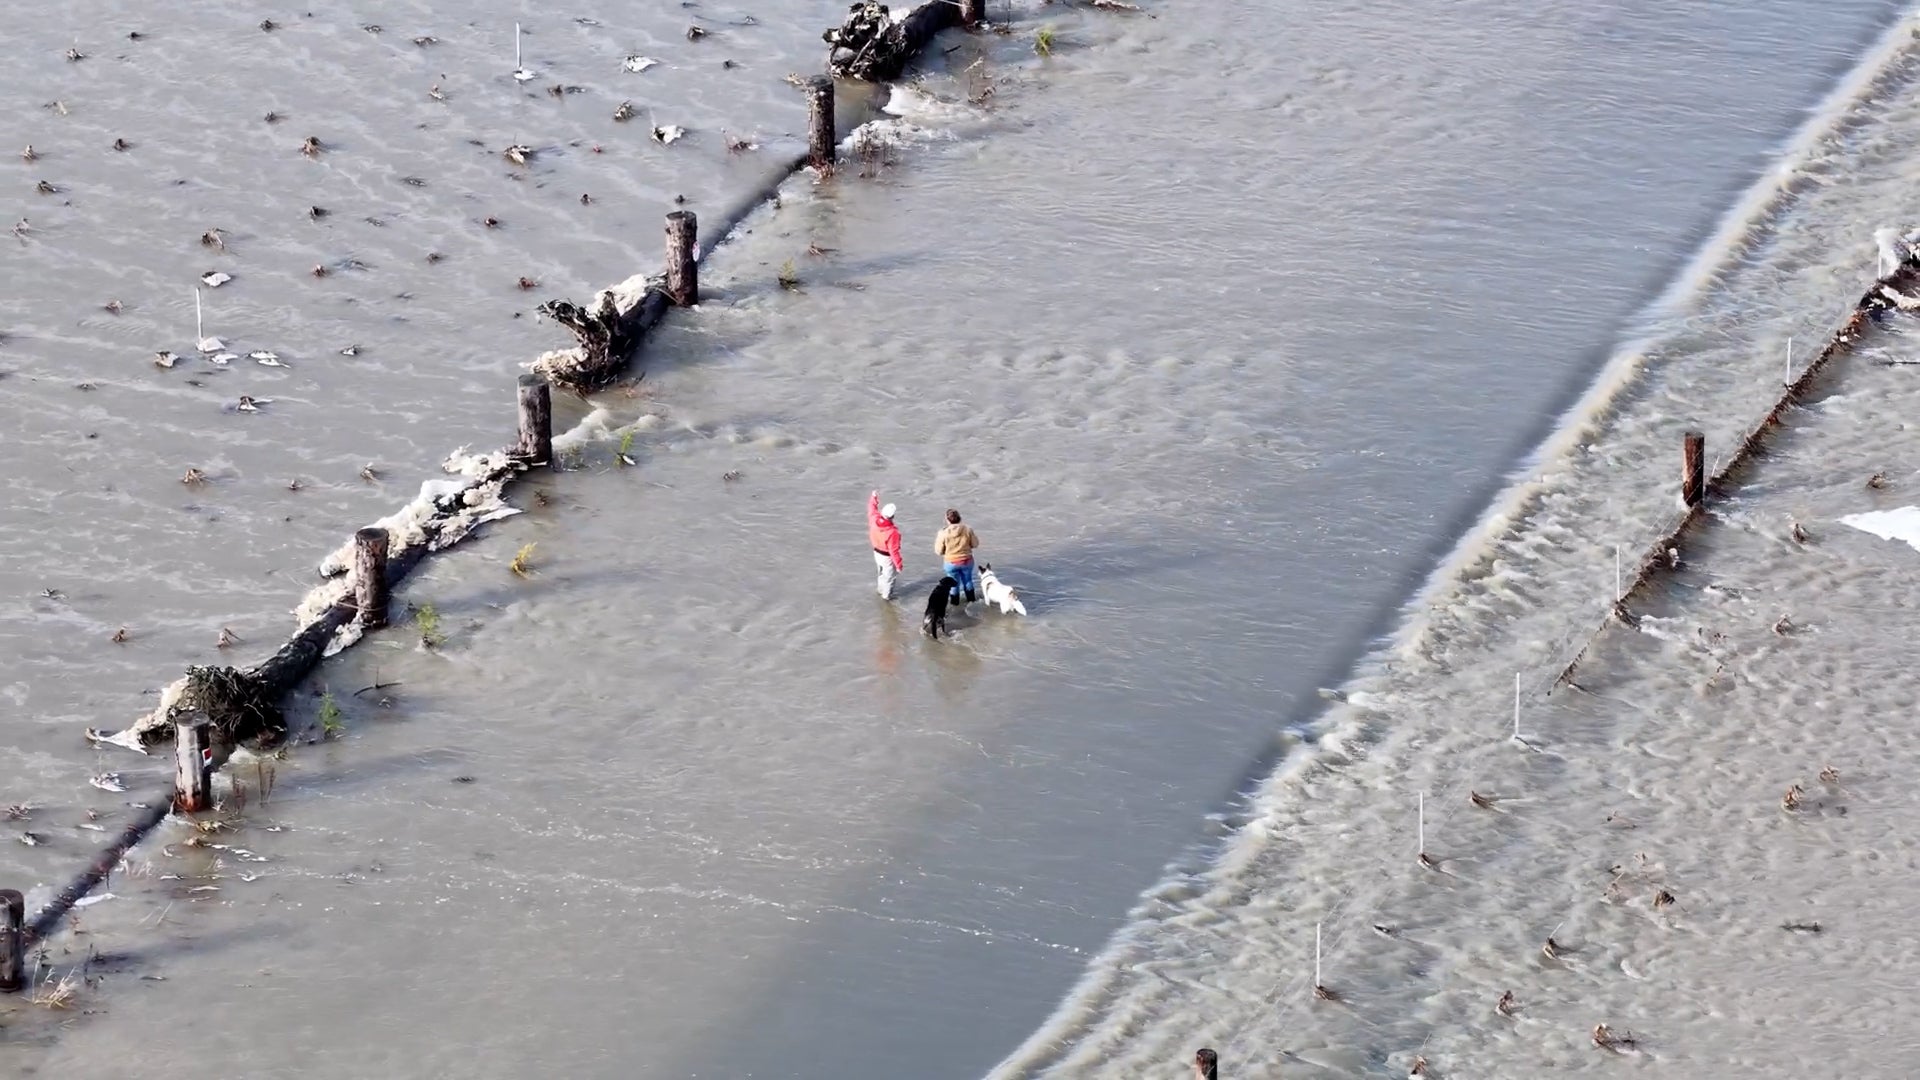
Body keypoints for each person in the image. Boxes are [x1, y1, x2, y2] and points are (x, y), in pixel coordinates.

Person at [934, 508, 980, 605]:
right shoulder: (968, 529)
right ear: (960, 518)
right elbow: (975, 544)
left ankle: (955, 605)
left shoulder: (943, 533)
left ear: (947, 520)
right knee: (968, 580)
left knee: (953, 584)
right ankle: (971, 602)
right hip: (967, 561)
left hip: (951, 562)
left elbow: (938, 551)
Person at [868, 491, 903, 599]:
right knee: (890, 577)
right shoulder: (893, 532)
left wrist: (873, 497)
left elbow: (872, 509)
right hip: (887, 556)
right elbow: (894, 551)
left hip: (876, 553)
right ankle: (886, 597)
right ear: (892, 516)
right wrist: (898, 565)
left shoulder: (874, 520)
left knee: (881, 572)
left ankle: (880, 590)